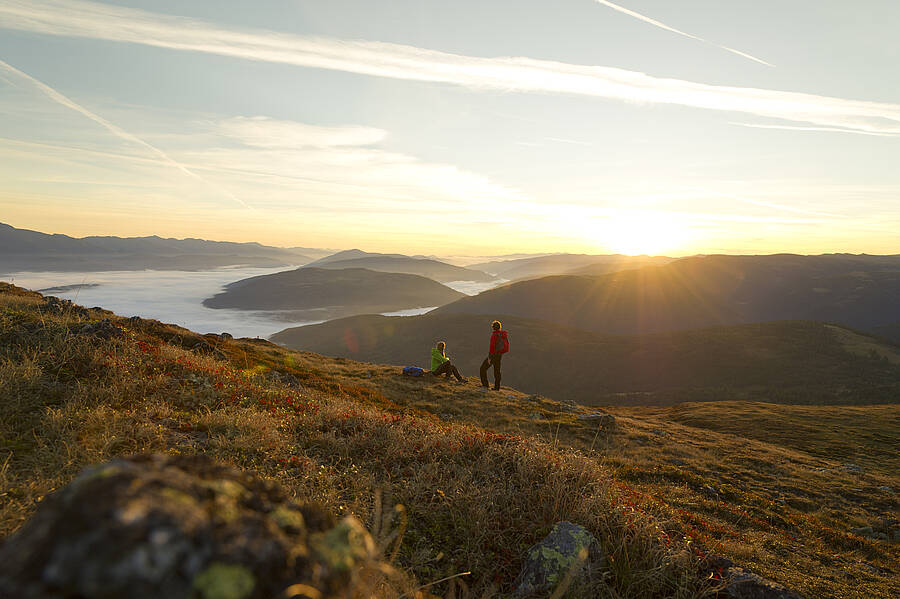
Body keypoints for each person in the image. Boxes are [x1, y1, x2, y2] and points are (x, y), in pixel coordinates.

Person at [480, 320, 508, 390]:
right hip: (499, 355)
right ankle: (497, 387)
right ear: (499, 327)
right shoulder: (502, 335)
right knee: (497, 371)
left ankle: (485, 385)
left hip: (493, 355)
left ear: (493, 327)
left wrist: (489, 357)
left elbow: (492, 347)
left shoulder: (494, 335)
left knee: (483, 368)